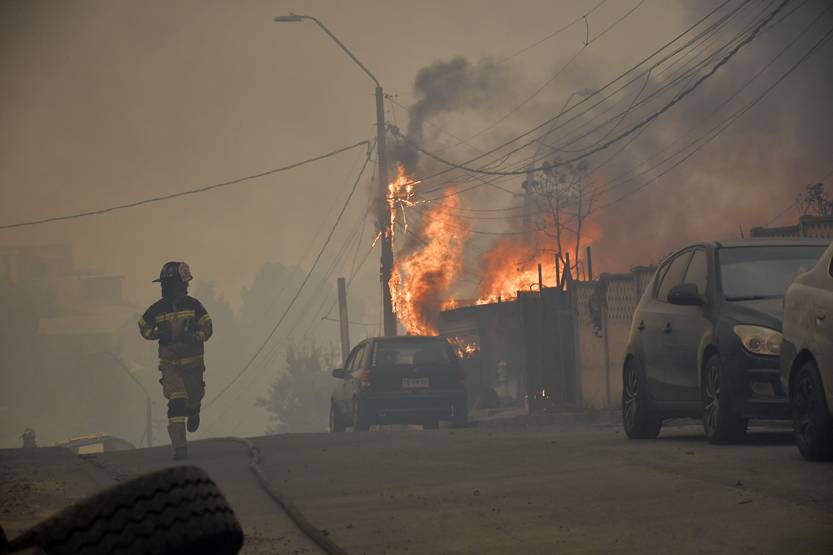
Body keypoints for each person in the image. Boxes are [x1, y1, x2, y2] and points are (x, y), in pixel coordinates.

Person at [138, 261, 212, 460]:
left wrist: (194, 336)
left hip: (193, 365)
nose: (165, 289)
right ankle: (180, 447)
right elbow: (143, 326)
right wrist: (156, 333)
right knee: (176, 402)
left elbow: (208, 328)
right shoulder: (157, 309)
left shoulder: (194, 306)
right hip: (170, 365)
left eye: (169, 285)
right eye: (164, 285)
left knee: (194, 396)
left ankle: (194, 410)